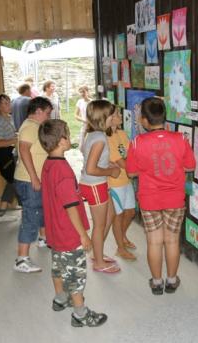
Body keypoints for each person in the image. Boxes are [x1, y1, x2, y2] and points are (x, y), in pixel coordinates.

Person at [39, 119, 107, 327]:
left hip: (54, 230)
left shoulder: (48, 163)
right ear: (61, 141)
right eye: (67, 135)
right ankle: (80, 313)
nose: (70, 138)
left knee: (59, 265)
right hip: (68, 232)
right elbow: (70, 207)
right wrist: (83, 235)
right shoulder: (64, 172)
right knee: (75, 273)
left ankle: (60, 298)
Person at [126, 97, 196, 294]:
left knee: (154, 241)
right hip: (175, 199)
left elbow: (131, 173)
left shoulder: (137, 142)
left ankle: (157, 283)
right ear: (164, 117)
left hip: (150, 200)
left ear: (144, 120)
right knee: (172, 240)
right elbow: (190, 166)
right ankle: (172, 280)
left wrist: (147, 170)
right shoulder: (180, 139)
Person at [79, 100, 121, 274]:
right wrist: (111, 171)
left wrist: (107, 163)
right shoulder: (99, 139)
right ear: (105, 117)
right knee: (99, 224)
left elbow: (91, 158)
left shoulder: (96, 134)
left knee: (110, 214)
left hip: (97, 183)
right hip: (94, 185)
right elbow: (91, 168)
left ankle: (97, 254)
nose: (116, 116)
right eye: (114, 114)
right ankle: (98, 263)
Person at [13, 97, 52, 273]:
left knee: (41, 209)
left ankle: (43, 239)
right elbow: (23, 150)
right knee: (30, 216)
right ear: (38, 112)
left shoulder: (35, 126)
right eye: (47, 113)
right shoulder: (30, 126)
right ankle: (22, 259)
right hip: (29, 180)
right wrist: (34, 177)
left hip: (33, 179)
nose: (49, 116)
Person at [106, 105, 137, 261]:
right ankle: (120, 248)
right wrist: (139, 170)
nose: (120, 115)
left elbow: (131, 154)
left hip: (127, 179)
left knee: (130, 211)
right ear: (109, 118)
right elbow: (120, 162)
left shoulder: (122, 133)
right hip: (115, 182)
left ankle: (122, 236)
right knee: (118, 216)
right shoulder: (107, 137)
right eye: (117, 114)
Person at [0, 94, 19, 222]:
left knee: (12, 182)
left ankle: (1, 213)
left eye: (9, 102)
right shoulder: (0, 121)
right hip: (4, 157)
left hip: (10, 154)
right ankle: (28, 209)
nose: (8, 105)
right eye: (5, 103)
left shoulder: (9, 117)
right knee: (16, 182)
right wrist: (15, 139)